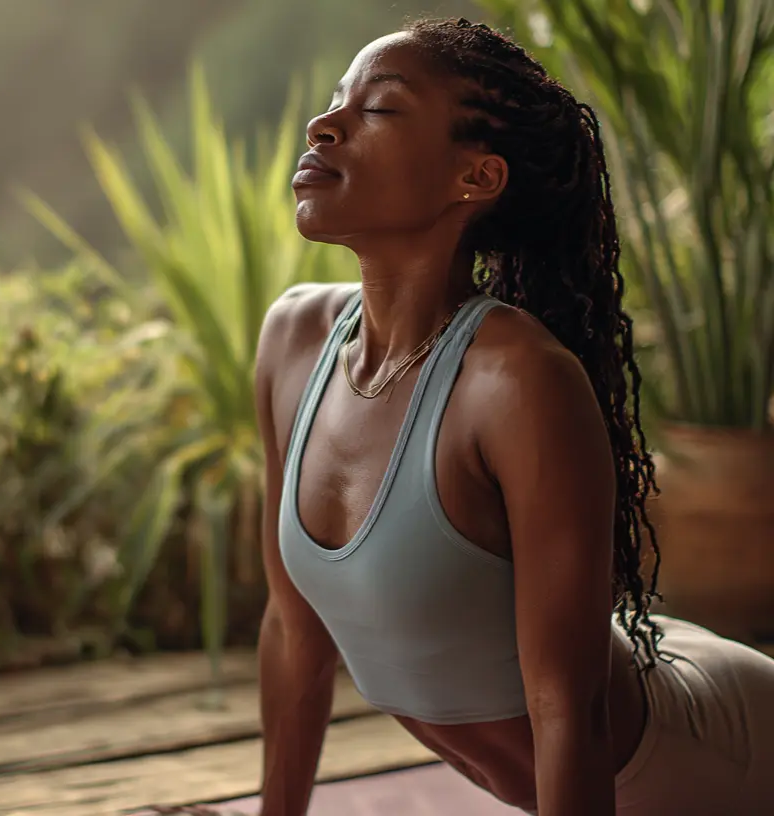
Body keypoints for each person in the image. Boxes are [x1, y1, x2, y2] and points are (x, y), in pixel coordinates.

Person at [252, 17, 774, 816]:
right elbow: (294, 633)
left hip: (697, 761)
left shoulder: (516, 381)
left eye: (380, 110)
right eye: (335, 100)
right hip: (648, 667)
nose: (326, 125)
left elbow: (572, 713)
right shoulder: (294, 341)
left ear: (476, 177)